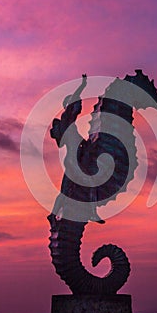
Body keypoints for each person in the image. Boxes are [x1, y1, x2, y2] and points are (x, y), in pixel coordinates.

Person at [50, 74, 105, 224]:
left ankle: (53, 214)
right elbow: (74, 100)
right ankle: (92, 212)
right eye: (77, 103)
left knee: (66, 190)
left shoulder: (71, 125)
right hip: (74, 160)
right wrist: (82, 85)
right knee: (90, 181)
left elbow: (78, 141)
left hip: (74, 159)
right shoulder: (67, 118)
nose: (79, 105)